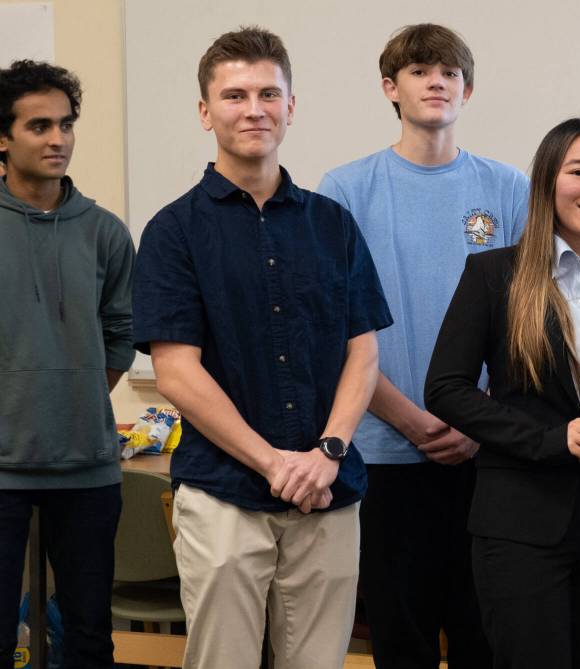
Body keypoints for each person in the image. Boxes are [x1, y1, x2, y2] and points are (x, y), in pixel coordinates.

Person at [132, 27, 392, 668]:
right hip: (224, 494)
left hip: (329, 490)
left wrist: (327, 450)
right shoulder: (173, 231)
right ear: (205, 112)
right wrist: (276, 464)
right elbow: (176, 373)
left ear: (291, 106)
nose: (254, 109)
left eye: (268, 93)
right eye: (235, 95)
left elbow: (362, 353)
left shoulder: (332, 223)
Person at [317, 23, 528, 669]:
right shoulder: (345, 191)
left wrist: (478, 418)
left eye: (450, 72)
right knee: (400, 637)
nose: (436, 81)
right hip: (384, 453)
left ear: (468, 89)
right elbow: (335, 330)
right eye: (418, 71)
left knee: (484, 636)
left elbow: (530, 325)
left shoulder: (509, 189)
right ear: (391, 87)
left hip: (487, 458)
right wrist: (410, 418)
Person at [424, 117, 580, 669]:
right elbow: (445, 389)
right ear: (547, 184)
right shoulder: (494, 275)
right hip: (519, 528)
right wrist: (548, 439)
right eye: (578, 171)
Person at [0, 60, 135, 669]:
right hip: (0, 470)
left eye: (66, 124)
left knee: (88, 639)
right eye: (39, 126)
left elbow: (121, 334)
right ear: (3, 138)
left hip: (88, 470)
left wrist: (77, 393)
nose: (58, 139)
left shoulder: (105, 231)